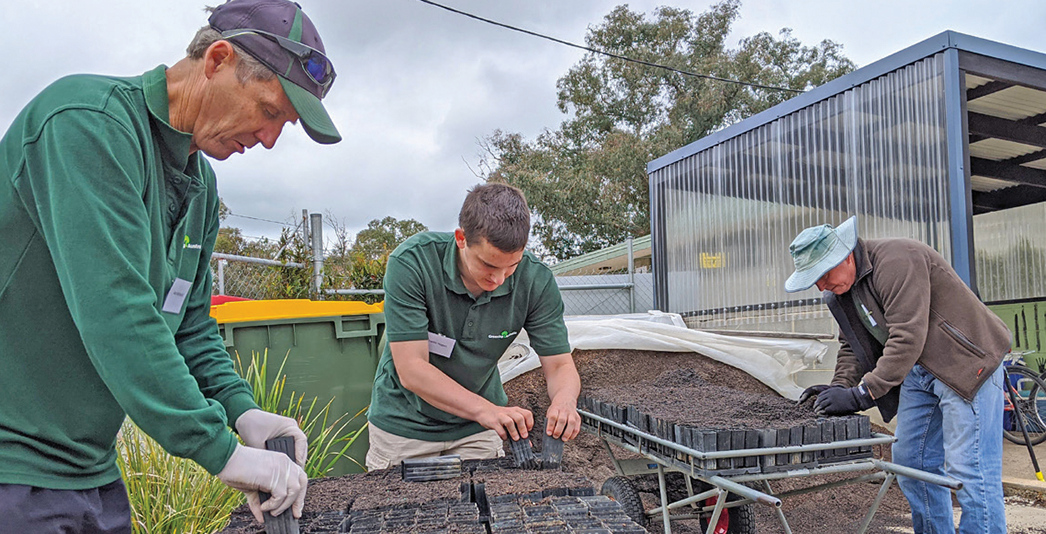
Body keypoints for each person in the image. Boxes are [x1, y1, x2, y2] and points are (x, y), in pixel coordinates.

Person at [0, 0, 340, 531]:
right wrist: (223, 453)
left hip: (90, 473)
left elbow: (191, 327)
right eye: (270, 111)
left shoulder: (200, 187)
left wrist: (241, 411)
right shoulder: (86, 125)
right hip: (14, 472)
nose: (271, 139)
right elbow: (119, 310)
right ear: (218, 60)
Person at [784, 216, 1008, 534]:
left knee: (969, 469)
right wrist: (838, 389)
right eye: (814, 281)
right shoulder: (841, 291)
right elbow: (851, 344)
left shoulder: (898, 260)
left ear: (846, 255)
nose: (821, 286)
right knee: (910, 461)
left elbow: (906, 337)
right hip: (920, 369)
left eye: (822, 275)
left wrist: (862, 394)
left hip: (967, 364)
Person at [366, 183, 582, 470]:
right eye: (488, 266)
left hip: (476, 432)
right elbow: (411, 369)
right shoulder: (413, 263)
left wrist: (565, 401)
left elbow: (558, 366)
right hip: (404, 429)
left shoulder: (536, 280)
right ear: (461, 239)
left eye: (512, 266)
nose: (500, 279)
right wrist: (488, 411)